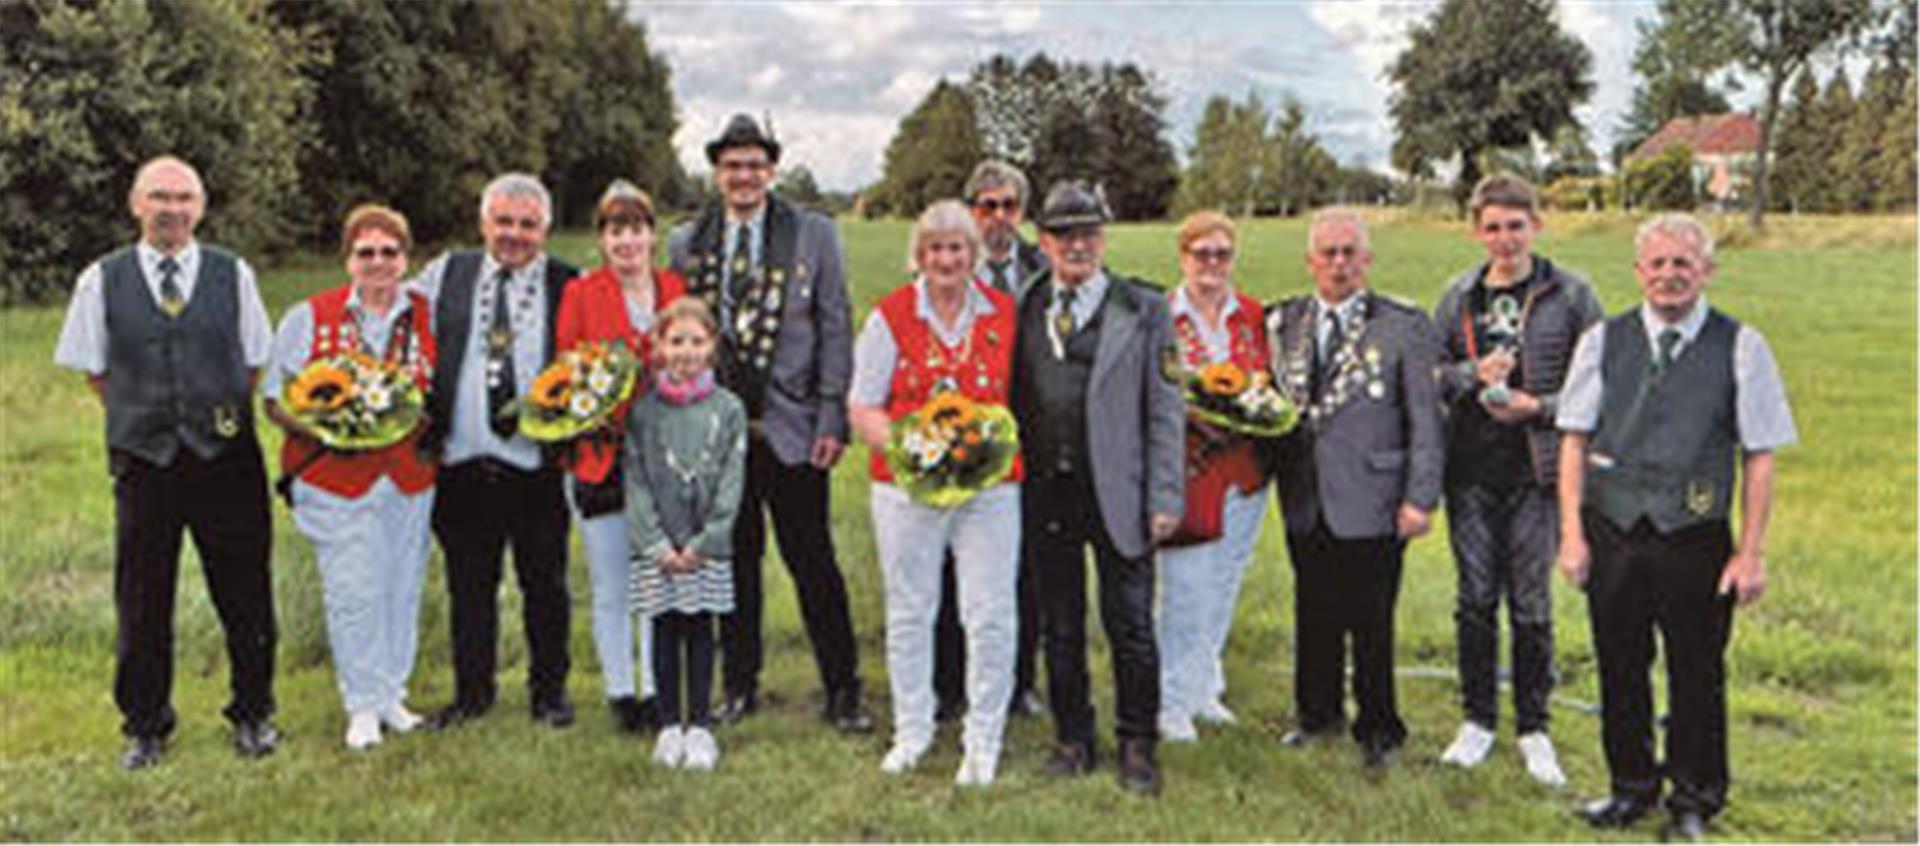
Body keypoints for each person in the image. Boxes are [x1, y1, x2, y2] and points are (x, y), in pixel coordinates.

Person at [1557, 214, 1796, 841]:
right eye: (1657, 264)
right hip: (1612, 528)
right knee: (1619, 664)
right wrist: (1572, 535)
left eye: (1682, 264)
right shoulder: (1602, 341)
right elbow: (1574, 441)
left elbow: (1761, 453)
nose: (1669, 275)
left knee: (1696, 669)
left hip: (1694, 533)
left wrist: (1750, 553)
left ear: (1706, 272)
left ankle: (1694, 798)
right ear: (1639, 271)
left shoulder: (1741, 345)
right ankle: (1630, 788)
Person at [53, 155, 280, 769]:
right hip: (144, 461)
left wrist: (208, 411)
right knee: (143, 597)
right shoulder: (102, 279)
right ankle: (146, 724)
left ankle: (254, 712)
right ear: (136, 204)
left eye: (184, 198)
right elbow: (95, 370)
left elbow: (254, 362)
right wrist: (147, 414)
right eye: (160, 197)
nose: (172, 209)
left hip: (225, 457)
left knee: (245, 591)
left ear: (200, 208)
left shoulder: (233, 275)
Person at [666, 114, 870, 732]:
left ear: (771, 169)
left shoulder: (812, 234)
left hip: (794, 429)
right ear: (717, 172)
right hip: (721, 435)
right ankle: (740, 685)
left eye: (755, 164)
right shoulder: (687, 242)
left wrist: (833, 414)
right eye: (732, 165)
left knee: (813, 563)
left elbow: (835, 326)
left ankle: (842, 688)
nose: (744, 175)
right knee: (735, 564)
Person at [1012, 181, 1185, 795]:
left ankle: (1138, 743)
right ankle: (1072, 738)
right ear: (1044, 241)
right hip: (1045, 494)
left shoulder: (1142, 308)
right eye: (1063, 234)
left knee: (1130, 624)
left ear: (1103, 238)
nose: (1076, 244)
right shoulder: (1026, 302)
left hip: (1122, 494)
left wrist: (1166, 497)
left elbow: (1167, 411)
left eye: (1088, 232)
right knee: (1059, 624)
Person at [1431, 174, 1603, 783]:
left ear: (1537, 225)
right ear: (1477, 231)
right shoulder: (1458, 295)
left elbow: (1596, 385)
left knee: (1530, 603)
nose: (1504, 239)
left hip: (1538, 472)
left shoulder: (1571, 294)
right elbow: (1435, 377)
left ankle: (1534, 729)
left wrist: (1539, 408)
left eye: (1515, 226)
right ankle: (1477, 720)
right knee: (1475, 600)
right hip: (1470, 472)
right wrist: (1471, 375)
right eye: (1493, 228)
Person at [850, 201, 1023, 786]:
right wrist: (908, 453)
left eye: (957, 248)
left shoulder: (1004, 314)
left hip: (991, 490)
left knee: (990, 612)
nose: (946, 259)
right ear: (918, 255)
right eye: (935, 248)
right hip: (907, 492)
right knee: (910, 610)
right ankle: (913, 730)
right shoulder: (891, 316)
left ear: (974, 255)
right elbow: (862, 404)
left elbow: (1022, 403)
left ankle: (983, 739)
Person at [1266, 208, 1443, 771]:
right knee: (1313, 610)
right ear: (1309, 261)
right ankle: (1316, 715)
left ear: (1367, 259)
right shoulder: (1284, 322)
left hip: (1376, 496)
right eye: (1328, 253)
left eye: (1349, 253)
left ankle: (1379, 726)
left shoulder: (1402, 325)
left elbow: (1426, 419)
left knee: (1371, 617)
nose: (1339, 264)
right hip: (1306, 496)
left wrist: (1421, 497)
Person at [263, 204, 436, 750]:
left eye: (390, 252)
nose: (379, 263)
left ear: (406, 259)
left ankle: (391, 694)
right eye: (366, 252)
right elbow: (274, 398)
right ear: (348, 259)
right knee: (353, 588)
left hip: (409, 477)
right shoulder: (308, 316)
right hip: (333, 480)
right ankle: (360, 703)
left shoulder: (429, 315)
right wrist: (327, 427)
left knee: (400, 585)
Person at [410, 173, 579, 730]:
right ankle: (472, 694)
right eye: (503, 222)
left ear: (545, 230)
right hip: (461, 461)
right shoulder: (446, 273)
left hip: (535, 465)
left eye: (527, 225)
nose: (514, 235)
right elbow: (399, 325)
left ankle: (549, 693)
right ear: (484, 223)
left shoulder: (567, 283)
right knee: (469, 586)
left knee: (545, 586)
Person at [554, 180, 687, 734]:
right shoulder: (582, 295)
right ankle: (619, 690)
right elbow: (565, 374)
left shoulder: (675, 287)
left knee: (656, 577)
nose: (627, 240)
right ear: (602, 240)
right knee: (611, 583)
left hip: (663, 460)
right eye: (615, 230)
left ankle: (656, 687)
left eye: (636, 228)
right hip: (599, 459)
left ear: (653, 236)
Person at [933, 160, 1051, 723]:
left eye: (1008, 205)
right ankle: (950, 684)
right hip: (963, 441)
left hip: (1030, 445)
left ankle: (1020, 680)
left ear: (1022, 213)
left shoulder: (1044, 269)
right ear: (970, 211)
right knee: (953, 567)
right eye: (987, 205)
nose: (998, 216)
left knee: (1025, 570)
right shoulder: (950, 272)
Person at [1154, 211, 1270, 744]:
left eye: (1222, 254)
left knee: (1222, 583)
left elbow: (1268, 383)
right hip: (1187, 470)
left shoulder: (1250, 315)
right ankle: (1170, 699)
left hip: (1242, 472)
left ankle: (1204, 686)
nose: (1212, 264)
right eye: (1202, 254)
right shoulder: (1162, 316)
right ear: (1183, 258)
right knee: (1184, 587)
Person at [626, 298, 747, 772]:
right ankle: (666, 725)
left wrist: (705, 542)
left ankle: (698, 724)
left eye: (697, 341)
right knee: (664, 627)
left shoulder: (729, 409)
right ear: (657, 347)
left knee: (699, 628)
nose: (686, 351)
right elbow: (635, 481)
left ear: (713, 347)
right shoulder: (643, 413)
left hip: (704, 548)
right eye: (676, 341)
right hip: (658, 548)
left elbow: (732, 482)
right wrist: (655, 543)